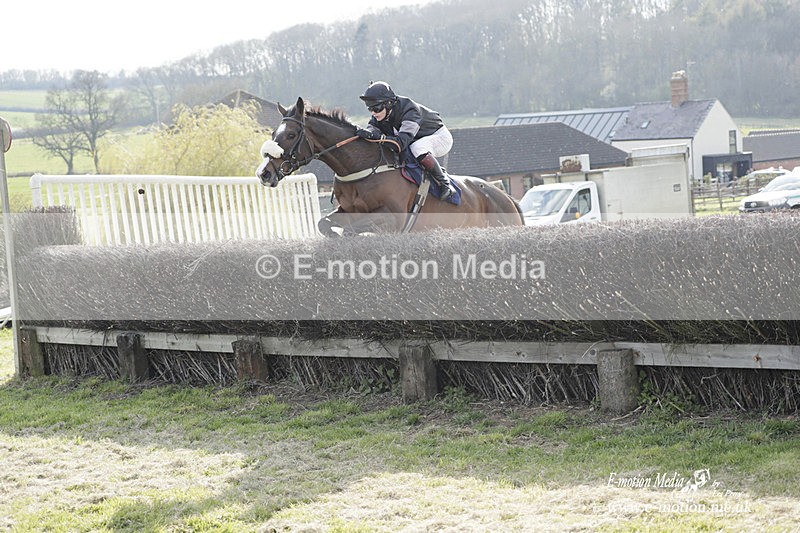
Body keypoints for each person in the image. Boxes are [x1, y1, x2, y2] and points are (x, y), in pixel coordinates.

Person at [355, 81, 456, 201]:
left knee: (417, 148)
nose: (373, 113)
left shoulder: (410, 111)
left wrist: (377, 137)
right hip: (416, 139)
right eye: (370, 108)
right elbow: (372, 128)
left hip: (439, 137)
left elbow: (400, 144)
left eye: (376, 108)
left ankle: (445, 183)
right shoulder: (381, 113)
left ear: (389, 104)